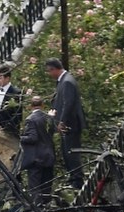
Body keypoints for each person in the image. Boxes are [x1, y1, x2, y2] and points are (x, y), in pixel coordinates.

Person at [45, 58, 86, 188]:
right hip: (67, 125)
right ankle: (73, 177)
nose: (49, 74)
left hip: (70, 125)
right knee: (66, 152)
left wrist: (62, 121)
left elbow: (68, 104)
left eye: (49, 71)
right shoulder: (63, 80)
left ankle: (77, 180)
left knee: (71, 153)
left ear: (54, 69)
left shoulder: (67, 81)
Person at [20, 96, 56, 198]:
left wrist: (20, 138)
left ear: (30, 106)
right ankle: (46, 205)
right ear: (43, 105)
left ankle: (36, 205)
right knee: (46, 186)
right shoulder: (49, 118)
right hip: (49, 156)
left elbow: (33, 138)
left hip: (36, 158)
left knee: (34, 187)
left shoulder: (30, 119)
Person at [0, 64, 22, 132]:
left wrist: (6, 128)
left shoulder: (16, 93)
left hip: (9, 130)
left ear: (7, 78)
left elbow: (17, 115)